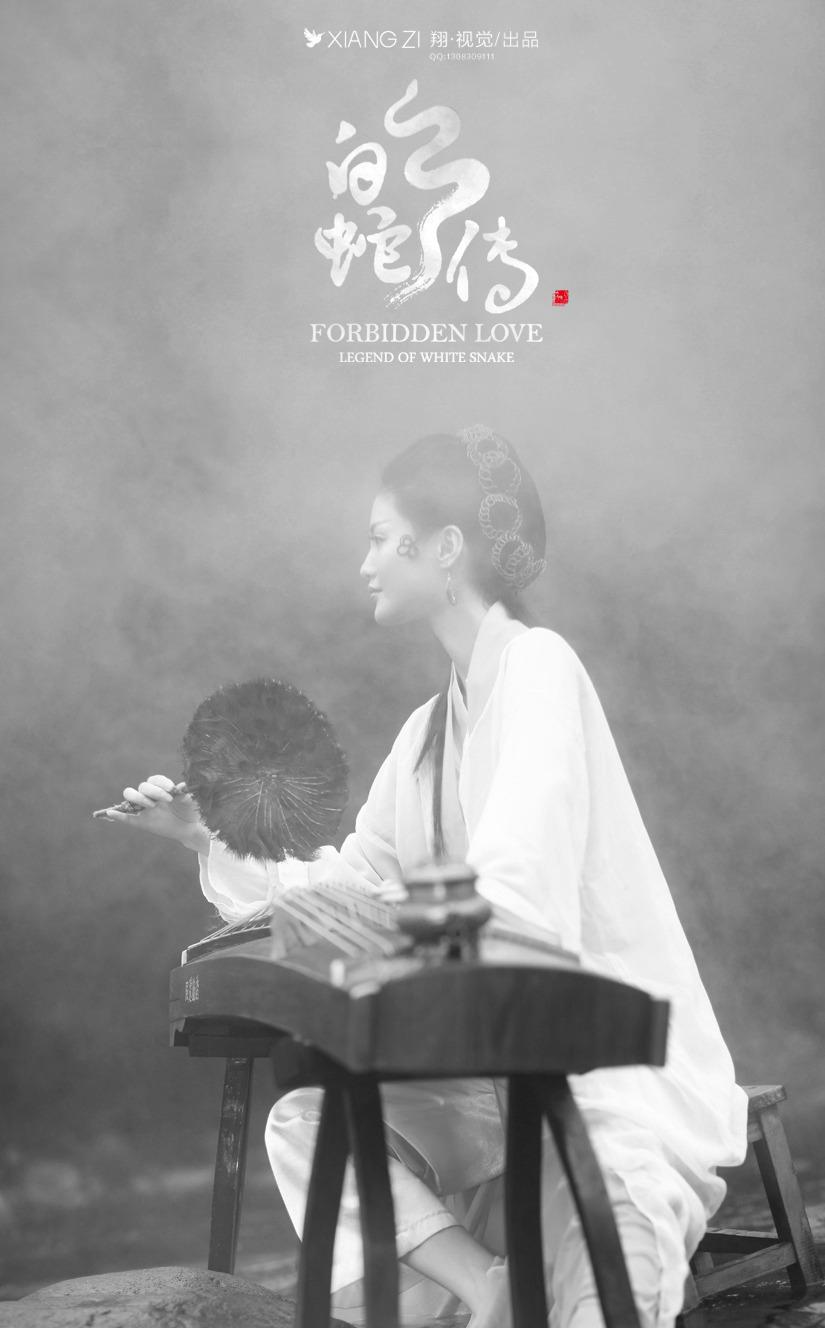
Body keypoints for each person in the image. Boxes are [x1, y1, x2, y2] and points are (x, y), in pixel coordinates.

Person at [109, 427, 747, 1328]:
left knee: (612, 1255)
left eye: (380, 538)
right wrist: (200, 834)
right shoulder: (425, 734)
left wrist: (395, 923)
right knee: (307, 1121)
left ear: (444, 547)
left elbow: (518, 889)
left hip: (597, 1062)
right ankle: (485, 1283)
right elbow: (345, 890)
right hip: (490, 1064)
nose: (364, 563)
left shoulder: (539, 668)